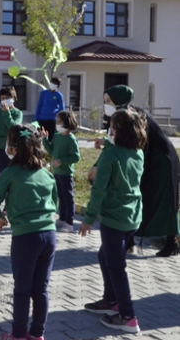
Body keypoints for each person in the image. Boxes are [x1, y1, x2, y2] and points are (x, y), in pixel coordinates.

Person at [0, 123, 58, 340]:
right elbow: (55, 202)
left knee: (23, 289)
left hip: (25, 238)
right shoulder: (47, 174)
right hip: (50, 236)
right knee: (41, 289)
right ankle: (37, 334)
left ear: (13, 148)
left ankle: (17, 335)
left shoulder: (10, 173)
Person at [88, 85, 180, 257]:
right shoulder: (120, 117)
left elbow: (128, 141)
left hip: (161, 160)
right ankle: (128, 241)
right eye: (105, 101)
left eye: (109, 101)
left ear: (119, 100)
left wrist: (98, 164)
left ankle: (171, 242)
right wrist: (104, 143)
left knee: (165, 201)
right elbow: (119, 143)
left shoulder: (133, 115)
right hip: (147, 157)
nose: (106, 104)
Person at [79, 109, 146, 334]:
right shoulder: (138, 153)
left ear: (117, 130)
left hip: (114, 218)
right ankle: (111, 300)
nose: (109, 130)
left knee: (116, 267)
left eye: (111, 126)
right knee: (104, 255)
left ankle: (127, 316)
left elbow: (99, 191)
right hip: (132, 216)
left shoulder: (110, 156)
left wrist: (88, 219)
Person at [41, 111, 80, 233]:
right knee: (61, 196)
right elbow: (51, 151)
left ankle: (69, 222)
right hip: (56, 172)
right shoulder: (57, 136)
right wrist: (45, 139)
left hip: (66, 173)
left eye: (59, 122)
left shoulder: (71, 139)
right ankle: (62, 218)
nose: (56, 124)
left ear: (67, 123)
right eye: (56, 121)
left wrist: (61, 161)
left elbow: (76, 157)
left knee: (68, 198)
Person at [35, 77, 65, 142]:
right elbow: (39, 106)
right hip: (41, 119)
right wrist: (36, 118)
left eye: (55, 84)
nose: (53, 84)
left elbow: (62, 109)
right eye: (52, 83)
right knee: (40, 137)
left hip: (52, 120)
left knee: (51, 138)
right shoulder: (43, 93)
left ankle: (50, 151)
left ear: (58, 86)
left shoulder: (59, 95)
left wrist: (61, 120)